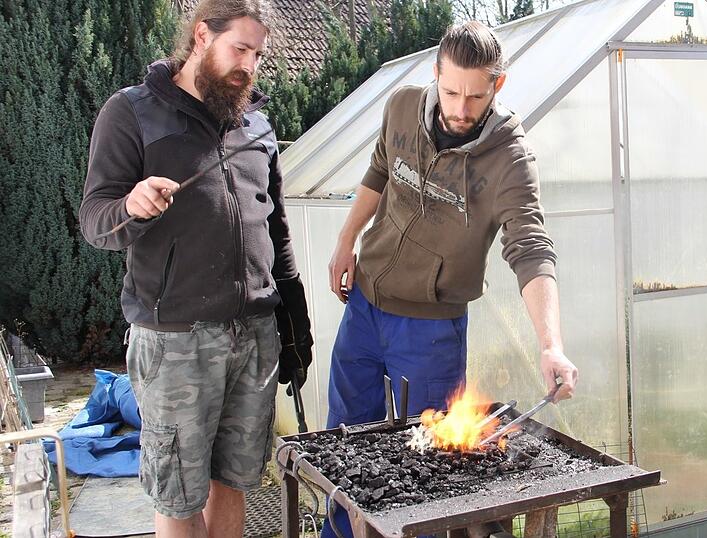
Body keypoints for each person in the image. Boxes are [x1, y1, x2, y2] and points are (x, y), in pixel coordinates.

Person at [323, 20, 578, 538]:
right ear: (435, 74)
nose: (461, 109)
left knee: (433, 473)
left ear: (497, 86)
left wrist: (551, 345)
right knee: (346, 446)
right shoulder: (400, 107)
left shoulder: (509, 157)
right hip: (365, 308)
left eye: (476, 96)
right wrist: (347, 238)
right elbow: (378, 172)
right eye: (451, 91)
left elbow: (529, 247)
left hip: (431, 332)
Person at [78, 1, 313, 536]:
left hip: (254, 335)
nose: (249, 66)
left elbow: (274, 228)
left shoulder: (255, 123)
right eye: (240, 49)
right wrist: (130, 207)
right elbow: (95, 221)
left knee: (237, 480)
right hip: (175, 340)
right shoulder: (133, 111)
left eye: (258, 54)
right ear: (202, 35)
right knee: (179, 496)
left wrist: (293, 314)